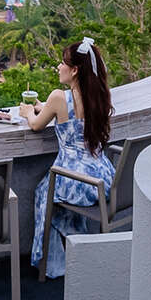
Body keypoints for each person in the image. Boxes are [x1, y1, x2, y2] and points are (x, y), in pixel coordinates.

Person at [14, 36, 114, 279]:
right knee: (53, 189)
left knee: (43, 191)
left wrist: (28, 111)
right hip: (102, 178)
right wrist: (44, 106)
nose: (59, 67)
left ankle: (50, 259)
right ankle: (78, 247)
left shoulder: (59, 97)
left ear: (75, 70)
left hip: (76, 180)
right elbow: (61, 111)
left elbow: (37, 125)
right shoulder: (99, 97)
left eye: (62, 63)